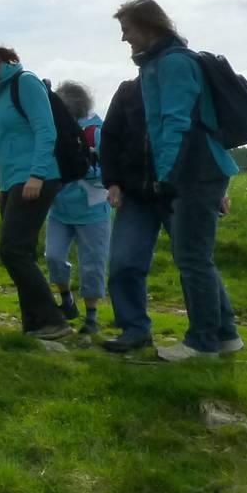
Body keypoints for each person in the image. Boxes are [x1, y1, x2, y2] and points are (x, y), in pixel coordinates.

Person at [114, 0, 241, 360]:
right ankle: (226, 336)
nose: (124, 38)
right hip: (196, 168)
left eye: (127, 30)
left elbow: (175, 122)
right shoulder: (159, 63)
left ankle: (202, 343)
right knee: (196, 257)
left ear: (148, 26)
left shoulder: (173, 63)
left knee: (193, 259)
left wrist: (165, 174)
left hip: (195, 171)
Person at [0, 45, 72, 342]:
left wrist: (37, 175)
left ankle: (53, 319)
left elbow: (46, 131)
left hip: (36, 177)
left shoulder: (26, 83)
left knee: (12, 250)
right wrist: (2, 187)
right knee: (22, 252)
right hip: (14, 182)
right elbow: (6, 145)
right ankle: (34, 324)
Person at [99, 76, 160, 352]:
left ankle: (221, 330)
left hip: (181, 190)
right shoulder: (128, 91)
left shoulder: (187, 83)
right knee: (123, 262)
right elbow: (110, 138)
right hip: (136, 193)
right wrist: (112, 181)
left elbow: (208, 140)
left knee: (194, 264)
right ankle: (135, 330)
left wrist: (216, 188)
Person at [45, 81, 109, 337]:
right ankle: (67, 301)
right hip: (60, 207)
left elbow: (110, 166)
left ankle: (91, 316)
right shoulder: (53, 128)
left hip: (93, 208)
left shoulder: (97, 132)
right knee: (53, 256)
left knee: (92, 264)